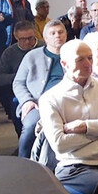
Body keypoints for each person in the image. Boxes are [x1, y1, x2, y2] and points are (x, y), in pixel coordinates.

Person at [39, 40, 98, 194]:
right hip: (76, 165)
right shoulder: (50, 98)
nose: (88, 64)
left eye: (90, 58)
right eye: (80, 59)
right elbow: (60, 144)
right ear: (64, 64)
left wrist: (85, 126)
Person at [13, 20, 68, 159]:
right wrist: (27, 101)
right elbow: (18, 83)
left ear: (66, 35)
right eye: (53, 33)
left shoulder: (74, 54)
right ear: (45, 38)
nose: (57, 36)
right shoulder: (32, 56)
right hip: (37, 103)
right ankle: (23, 162)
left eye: (60, 32)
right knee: (31, 126)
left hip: (68, 101)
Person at [0, 20, 41, 136]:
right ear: (16, 37)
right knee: (16, 107)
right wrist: (20, 75)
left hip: (42, 88)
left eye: (30, 38)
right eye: (23, 39)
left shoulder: (43, 47)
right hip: (20, 91)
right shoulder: (9, 53)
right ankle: (23, 137)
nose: (28, 42)